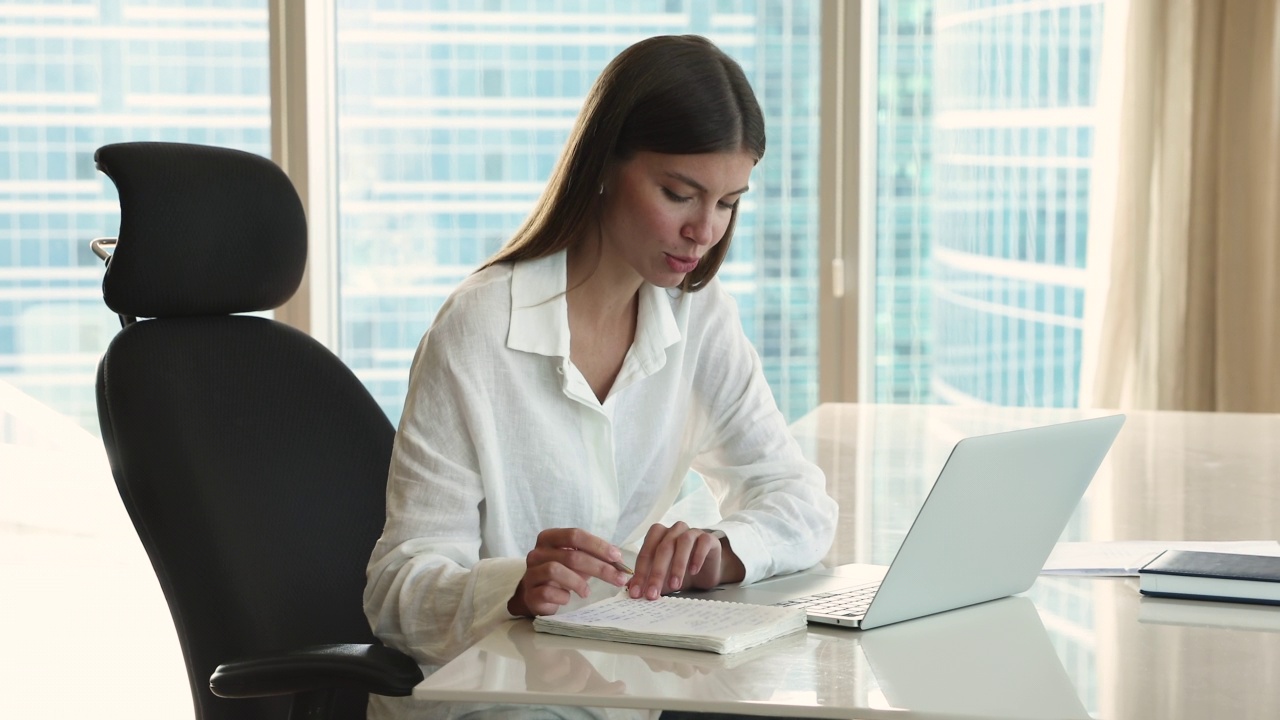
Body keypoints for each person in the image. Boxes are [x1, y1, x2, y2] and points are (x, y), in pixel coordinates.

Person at [363, 34, 838, 693]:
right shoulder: (478, 329)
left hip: (635, 679)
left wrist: (724, 552)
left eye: (729, 203)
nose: (705, 230)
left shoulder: (697, 315)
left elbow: (801, 501)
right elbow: (397, 591)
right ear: (605, 166)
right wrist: (516, 586)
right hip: (499, 696)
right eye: (679, 193)